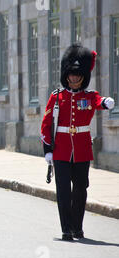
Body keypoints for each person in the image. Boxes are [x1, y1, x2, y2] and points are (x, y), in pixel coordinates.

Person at [41, 43, 115, 241]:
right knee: (63, 191)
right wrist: (47, 149)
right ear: (66, 75)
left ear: (83, 76)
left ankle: (77, 227)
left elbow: (97, 102)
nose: (73, 78)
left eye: (77, 75)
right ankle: (66, 228)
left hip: (82, 150)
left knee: (80, 190)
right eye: (71, 75)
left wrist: (106, 103)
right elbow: (47, 124)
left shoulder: (89, 96)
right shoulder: (56, 97)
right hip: (61, 151)